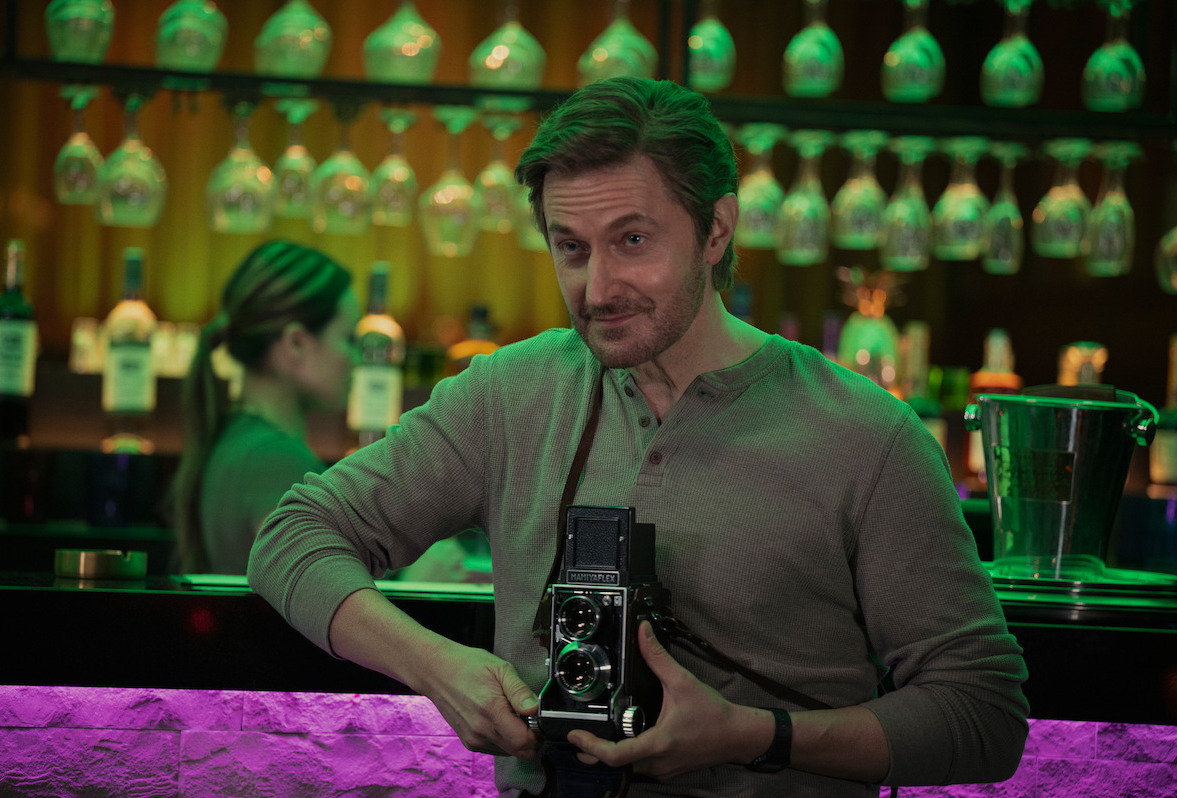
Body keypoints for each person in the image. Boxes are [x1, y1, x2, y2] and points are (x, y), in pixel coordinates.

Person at [248, 77, 1028, 797]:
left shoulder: (866, 436)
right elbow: (293, 536)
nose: (596, 289)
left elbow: (982, 717)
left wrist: (755, 735)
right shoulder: (509, 393)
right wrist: (438, 667)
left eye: (631, 241)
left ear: (716, 229)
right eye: (571, 247)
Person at [172, 239, 359, 574]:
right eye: (349, 339)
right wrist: (419, 580)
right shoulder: (275, 459)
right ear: (296, 343)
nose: (356, 360)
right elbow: (324, 608)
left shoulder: (236, 440)